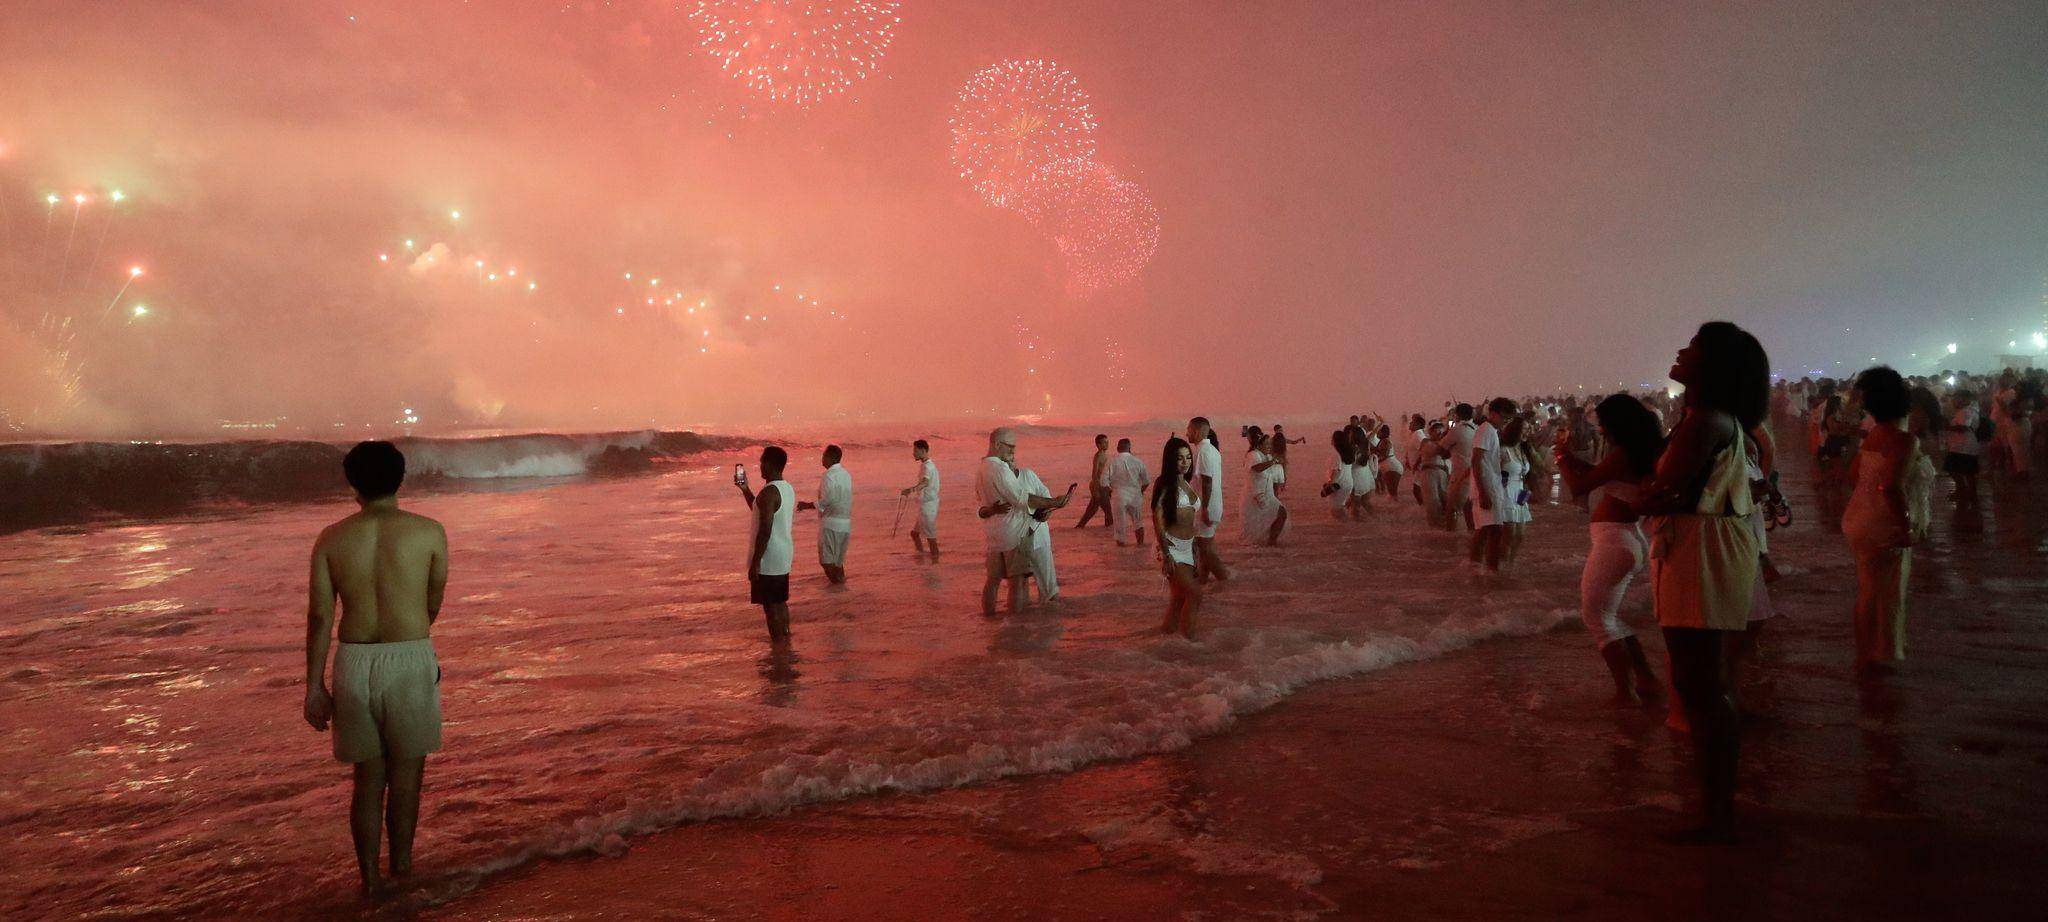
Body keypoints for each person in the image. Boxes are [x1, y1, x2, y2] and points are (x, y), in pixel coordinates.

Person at [1638, 321, 1770, 841]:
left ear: (1708, 366)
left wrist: (1630, 497)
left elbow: (1663, 488)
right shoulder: (1713, 419)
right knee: (1703, 682)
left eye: (1690, 348)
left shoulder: (1704, 421)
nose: (1679, 351)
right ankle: (1716, 807)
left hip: (1701, 551)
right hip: (1709, 545)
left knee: (1699, 684)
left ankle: (1717, 815)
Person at [303, 441, 449, 895]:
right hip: (409, 657)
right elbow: (431, 602)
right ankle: (402, 871)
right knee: (406, 779)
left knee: (367, 782)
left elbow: (320, 617)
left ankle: (369, 883)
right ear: (400, 478)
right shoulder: (429, 532)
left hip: (354, 660)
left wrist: (314, 686)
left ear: (353, 484)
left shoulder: (331, 538)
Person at [1554, 395, 1664, 703]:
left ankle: (1625, 692)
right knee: (1608, 616)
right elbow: (1604, 474)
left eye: (1603, 424)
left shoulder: (1622, 453)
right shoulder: (1640, 451)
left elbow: (1579, 487)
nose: (1600, 430)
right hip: (1627, 538)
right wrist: (1573, 460)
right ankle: (1645, 679)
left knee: (1596, 618)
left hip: (1615, 541)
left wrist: (1562, 460)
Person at [1843, 367, 1935, 674]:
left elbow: (1854, 475)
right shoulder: (1903, 440)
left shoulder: (1873, 436)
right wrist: (1905, 525)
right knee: (1882, 590)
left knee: (1869, 588)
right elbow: (1891, 486)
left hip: (1859, 515)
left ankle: (1867, 653)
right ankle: (1872, 656)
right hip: (1882, 520)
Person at [977, 428, 1070, 615]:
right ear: (997, 444)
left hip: (996, 536)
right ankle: (1016, 626)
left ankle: (988, 621)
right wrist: (1055, 502)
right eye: (1010, 447)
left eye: (1014, 448)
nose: (1013, 452)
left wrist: (1047, 509)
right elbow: (1023, 499)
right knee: (1016, 581)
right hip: (1013, 534)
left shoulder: (983, 468)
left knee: (995, 580)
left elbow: (983, 504)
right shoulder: (1000, 469)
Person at [737, 445, 795, 643]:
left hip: (769, 558)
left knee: (770, 607)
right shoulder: (786, 488)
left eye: (762, 461)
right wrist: (745, 489)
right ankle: (786, 640)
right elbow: (759, 509)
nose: (760, 465)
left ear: (769, 464)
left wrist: (755, 563)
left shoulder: (769, 492)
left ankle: (779, 649)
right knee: (780, 602)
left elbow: (765, 531)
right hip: (783, 554)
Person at [1151, 437, 1203, 635]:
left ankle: (1168, 641)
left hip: (1188, 547)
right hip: (1170, 547)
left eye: (1188, 457)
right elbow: (1157, 518)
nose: (1185, 462)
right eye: (1180, 458)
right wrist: (1166, 554)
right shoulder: (1164, 483)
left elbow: (1191, 521)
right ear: (1170, 460)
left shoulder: (1187, 482)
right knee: (1196, 594)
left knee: (1179, 598)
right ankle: (1190, 643)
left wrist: (1195, 550)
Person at [795, 445, 852, 585]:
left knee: (826, 562)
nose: (822, 458)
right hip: (845, 523)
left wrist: (806, 505)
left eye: (824, 455)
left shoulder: (829, 476)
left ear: (830, 458)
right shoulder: (846, 474)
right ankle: (842, 590)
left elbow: (829, 500)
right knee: (838, 562)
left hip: (830, 524)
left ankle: (837, 588)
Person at [1468, 399, 1514, 571]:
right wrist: (1483, 492)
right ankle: (1490, 571)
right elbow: (1476, 461)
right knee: (1494, 531)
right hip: (1486, 488)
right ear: (1493, 413)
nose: (1506, 422)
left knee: (1486, 531)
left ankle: (1476, 567)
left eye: (1509, 420)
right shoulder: (1486, 430)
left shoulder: (1490, 431)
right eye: (1504, 418)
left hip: (1490, 486)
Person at [1187, 418, 1230, 582]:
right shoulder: (1211, 449)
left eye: (1188, 429)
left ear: (1196, 431)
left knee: (1204, 549)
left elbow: (1207, 481)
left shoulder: (1203, 451)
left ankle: (1224, 580)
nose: (1187, 433)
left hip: (1207, 505)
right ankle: (1203, 581)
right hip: (1212, 504)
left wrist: (1204, 508)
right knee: (1206, 546)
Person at [1015, 463, 1063, 601]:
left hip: (1039, 538)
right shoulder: (1001, 483)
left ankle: (1044, 619)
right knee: (1020, 588)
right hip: (1016, 541)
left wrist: (1046, 512)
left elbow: (1045, 496)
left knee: (1049, 590)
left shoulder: (1027, 475)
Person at [1498, 416, 1535, 567]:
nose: (1528, 432)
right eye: (1524, 429)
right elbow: (1492, 472)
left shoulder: (1522, 450)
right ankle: (1499, 566)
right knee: (1509, 534)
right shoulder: (1503, 450)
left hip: (1520, 493)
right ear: (1515, 431)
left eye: (1528, 429)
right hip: (1506, 493)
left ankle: (1510, 566)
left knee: (1520, 535)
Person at [1240, 429, 1289, 545]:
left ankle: (1270, 542)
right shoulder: (1253, 455)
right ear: (1259, 444)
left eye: (1269, 443)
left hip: (1266, 494)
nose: (1269, 446)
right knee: (1277, 515)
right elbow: (1257, 468)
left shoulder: (1265, 455)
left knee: (1279, 514)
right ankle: (1270, 542)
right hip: (1256, 494)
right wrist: (1273, 462)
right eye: (1266, 444)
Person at [900, 439, 940, 559]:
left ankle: (935, 562)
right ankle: (921, 556)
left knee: (931, 537)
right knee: (915, 534)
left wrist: (910, 490)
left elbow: (925, 482)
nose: (913, 453)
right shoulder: (928, 465)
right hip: (927, 504)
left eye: (915, 451)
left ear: (922, 451)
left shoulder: (927, 467)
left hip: (928, 506)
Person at [1107, 438, 1151, 546]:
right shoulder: (1138, 461)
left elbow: (1103, 482)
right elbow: (1146, 481)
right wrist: (1140, 491)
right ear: (1130, 448)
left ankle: (1121, 550)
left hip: (1119, 495)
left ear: (1117, 448)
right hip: (1135, 495)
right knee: (1138, 521)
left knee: (1119, 523)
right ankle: (1140, 545)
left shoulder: (1112, 462)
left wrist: (1109, 492)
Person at [1441, 404, 1478, 530]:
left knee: (1452, 509)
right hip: (1475, 474)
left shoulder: (1456, 430)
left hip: (1460, 474)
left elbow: (1441, 449)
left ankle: (1451, 540)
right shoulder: (1476, 429)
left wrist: (1447, 430)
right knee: (1469, 508)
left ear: (1456, 415)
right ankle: (1471, 535)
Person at [1942, 389, 1981, 508]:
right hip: (1961, 446)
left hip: (1963, 447)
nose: (1953, 401)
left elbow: (1963, 428)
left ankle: (1967, 493)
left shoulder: (1966, 412)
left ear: (1964, 399)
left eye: (1956, 398)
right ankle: (1964, 491)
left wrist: (1946, 426)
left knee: (1962, 471)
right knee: (1961, 471)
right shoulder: (1965, 411)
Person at [1075, 434, 1115, 529]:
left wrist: (1110, 487)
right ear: (1098, 445)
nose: (1107, 444)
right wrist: (1096, 490)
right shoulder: (1098, 456)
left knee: (1091, 510)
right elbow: (1095, 474)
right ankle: (1109, 532)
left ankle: (1079, 528)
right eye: (1104, 442)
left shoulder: (1105, 455)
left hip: (1103, 486)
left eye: (1107, 442)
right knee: (1107, 511)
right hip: (1099, 486)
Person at [1418, 420, 1452, 528]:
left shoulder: (1444, 444)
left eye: (1441, 433)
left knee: (1445, 499)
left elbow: (1447, 454)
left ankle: (1445, 524)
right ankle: (1434, 526)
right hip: (1429, 473)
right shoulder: (1426, 442)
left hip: (1442, 472)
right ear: (1431, 432)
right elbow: (1435, 451)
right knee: (1432, 500)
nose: (1440, 434)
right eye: (1437, 432)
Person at [1323, 430, 1356, 521]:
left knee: (1335, 511)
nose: (1331, 439)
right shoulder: (1347, 453)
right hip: (1347, 483)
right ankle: (1350, 528)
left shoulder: (1336, 455)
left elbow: (1336, 471)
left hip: (1338, 485)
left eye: (1332, 437)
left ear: (1336, 440)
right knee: (1340, 508)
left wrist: (1330, 484)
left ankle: (1349, 530)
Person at [1377, 423, 1405, 500]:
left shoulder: (1385, 441)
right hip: (1392, 466)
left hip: (1391, 467)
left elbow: (1385, 454)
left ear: (1383, 433)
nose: (1377, 433)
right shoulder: (1384, 441)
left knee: (1392, 493)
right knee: (1393, 493)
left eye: (1379, 432)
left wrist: (1376, 461)